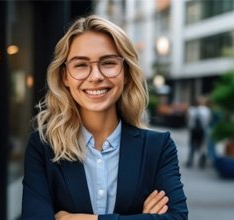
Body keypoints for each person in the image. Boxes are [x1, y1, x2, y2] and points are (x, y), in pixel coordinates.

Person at [21, 15, 187, 219]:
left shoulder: (159, 147)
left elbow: (177, 218)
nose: (96, 76)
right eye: (81, 65)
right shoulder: (43, 147)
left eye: (108, 63)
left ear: (125, 73)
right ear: (64, 76)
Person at [186, 97, 211, 168]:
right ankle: (202, 162)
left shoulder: (191, 109)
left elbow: (188, 120)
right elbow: (208, 121)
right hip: (202, 130)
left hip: (193, 130)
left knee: (192, 145)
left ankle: (190, 161)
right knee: (202, 146)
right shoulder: (207, 110)